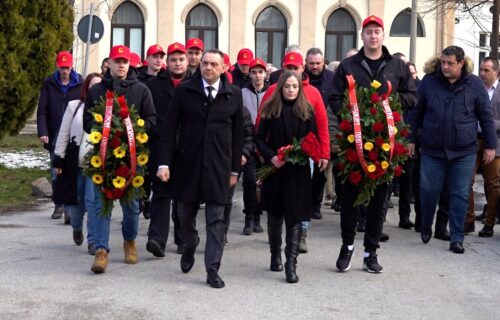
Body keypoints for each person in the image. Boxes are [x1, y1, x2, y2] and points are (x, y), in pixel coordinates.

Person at [330, 15, 417, 273]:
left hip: (385, 141)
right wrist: (351, 112)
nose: (373, 36)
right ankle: (347, 246)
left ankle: (371, 252)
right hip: (353, 140)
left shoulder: (397, 66)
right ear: (362, 36)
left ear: (383, 35)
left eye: (377, 31)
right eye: (368, 32)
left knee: (380, 200)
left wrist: (388, 102)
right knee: (350, 199)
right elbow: (334, 97)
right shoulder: (348, 65)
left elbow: (412, 96)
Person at [156, 49, 243, 289]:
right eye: (205, 63)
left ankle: (212, 270)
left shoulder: (233, 94)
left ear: (224, 68)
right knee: (185, 217)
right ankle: (190, 243)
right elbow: (169, 128)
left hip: (219, 167)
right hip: (188, 164)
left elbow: (238, 136)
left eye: (214, 64)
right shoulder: (185, 90)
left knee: (216, 221)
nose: (208, 68)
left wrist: (235, 170)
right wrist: (164, 163)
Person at [408, 45, 496, 254]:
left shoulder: (474, 83)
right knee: (428, 191)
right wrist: (411, 139)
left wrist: (491, 145)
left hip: (464, 150)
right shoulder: (430, 81)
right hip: (432, 149)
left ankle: (456, 238)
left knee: (460, 194)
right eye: (442, 62)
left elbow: (485, 116)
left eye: (450, 63)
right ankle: (426, 224)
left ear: (461, 64)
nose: (445, 67)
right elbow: (416, 113)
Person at [83, 45, 157, 273]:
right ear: (110, 64)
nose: (122, 65)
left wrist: (134, 129)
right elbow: (87, 122)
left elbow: (152, 119)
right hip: (103, 157)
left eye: (125, 61)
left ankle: (129, 241)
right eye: (117, 61)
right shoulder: (97, 91)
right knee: (100, 204)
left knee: (132, 206)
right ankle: (102, 250)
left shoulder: (141, 90)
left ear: (130, 64)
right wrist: (104, 130)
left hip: (131, 158)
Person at [259, 51, 330, 254]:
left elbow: (321, 126)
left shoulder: (313, 94)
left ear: (302, 69)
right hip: (276, 162)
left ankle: (299, 239)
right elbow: (260, 128)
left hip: (302, 160)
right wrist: (266, 155)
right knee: (276, 209)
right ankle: (276, 251)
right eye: (288, 68)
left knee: (298, 206)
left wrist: (323, 152)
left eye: (295, 68)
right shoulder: (272, 91)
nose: (292, 73)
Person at [255, 71, 323, 283]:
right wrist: (272, 156)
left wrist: (306, 152)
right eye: (287, 86)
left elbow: (313, 138)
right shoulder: (271, 109)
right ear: (281, 88)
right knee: (275, 216)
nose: (291, 89)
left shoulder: (306, 110)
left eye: (295, 86)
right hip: (275, 169)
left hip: (298, 171)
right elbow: (258, 138)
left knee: (294, 218)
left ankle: (291, 264)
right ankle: (275, 253)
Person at [145, 42, 192, 257]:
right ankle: (157, 239)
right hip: (161, 147)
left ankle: (183, 239)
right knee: (161, 194)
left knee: (183, 197)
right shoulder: (154, 85)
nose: (177, 63)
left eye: (181, 59)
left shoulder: (196, 84)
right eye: (173, 59)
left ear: (187, 61)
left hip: (187, 149)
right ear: (167, 62)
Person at [52, 72, 102, 255]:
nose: (96, 89)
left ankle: (93, 241)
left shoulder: (106, 109)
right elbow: (64, 133)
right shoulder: (75, 106)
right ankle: (76, 226)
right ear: (86, 88)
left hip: (96, 165)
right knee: (76, 202)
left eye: (100, 85)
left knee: (93, 201)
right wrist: (58, 159)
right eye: (93, 86)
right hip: (75, 162)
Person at [37, 50, 83, 221]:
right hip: (54, 133)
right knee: (56, 171)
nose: (65, 71)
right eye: (62, 67)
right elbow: (42, 110)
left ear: (72, 66)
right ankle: (58, 205)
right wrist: (43, 132)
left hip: (74, 135)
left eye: (68, 67)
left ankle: (70, 209)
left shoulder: (80, 84)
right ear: (57, 66)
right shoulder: (49, 83)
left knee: (71, 171)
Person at [464, 56, 500, 237]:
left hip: (495, 143)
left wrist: (489, 123)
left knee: (492, 185)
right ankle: (468, 221)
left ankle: (489, 223)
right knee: (466, 181)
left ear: (496, 72)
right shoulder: (474, 89)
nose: (482, 73)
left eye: (486, 70)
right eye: (481, 70)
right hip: (472, 141)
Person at [305, 48, 336, 221]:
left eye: (318, 63)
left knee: (320, 171)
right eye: (311, 63)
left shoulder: (332, 78)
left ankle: (315, 205)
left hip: (324, 129)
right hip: (305, 129)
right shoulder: (301, 78)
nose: (315, 66)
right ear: (306, 63)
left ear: (323, 62)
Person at [240, 58, 269, 235]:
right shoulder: (242, 92)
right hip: (248, 142)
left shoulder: (271, 92)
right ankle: (249, 216)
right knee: (249, 181)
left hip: (265, 143)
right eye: (254, 72)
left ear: (265, 74)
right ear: (249, 74)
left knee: (262, 182)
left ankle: (258, 215)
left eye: (260, 72)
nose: (257, 76)